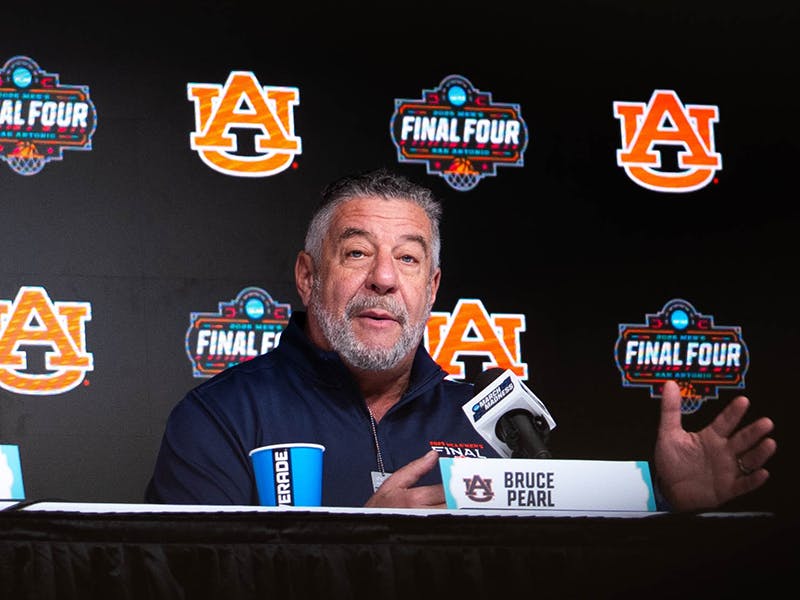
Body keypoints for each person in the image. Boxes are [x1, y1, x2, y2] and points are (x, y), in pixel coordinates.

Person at [145, 168, 777, 511]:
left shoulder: (498, 424)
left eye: (409, 259)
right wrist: (356, 550)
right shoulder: (220, 419)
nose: (385, 279)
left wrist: (668, 507)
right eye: (357, 251)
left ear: (433, 285)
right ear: (309, 278)